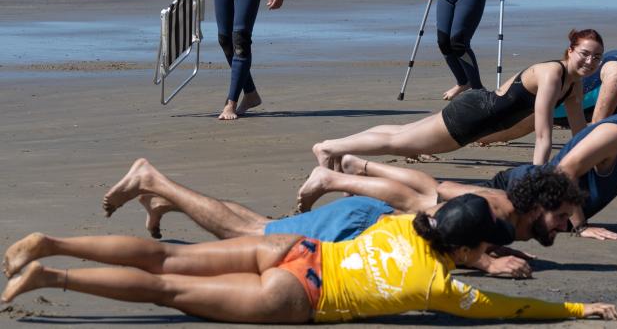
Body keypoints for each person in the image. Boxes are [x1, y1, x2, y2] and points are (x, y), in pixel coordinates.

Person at [2, 195, 617, 322]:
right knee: (164, 295)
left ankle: (51, 243)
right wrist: (573, 307)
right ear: (460, 251)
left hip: (298, 249)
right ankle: (50, 277)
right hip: (300, 297)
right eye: (483, 245)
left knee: (165, 259)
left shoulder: (404, 224)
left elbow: (415, 195)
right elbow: (505, 310)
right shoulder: (441, 288)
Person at [102, 158, 585, 279]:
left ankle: (166, 201)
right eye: (562, 217)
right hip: (357, 227)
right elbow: (436, 221)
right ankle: (155, 181)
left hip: (363, 221)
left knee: (264, 225)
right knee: (247, 234)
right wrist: (485, 264)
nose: (566, 227)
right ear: (539, 205)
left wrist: (497, 252)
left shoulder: (505, 214)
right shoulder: (492, 211)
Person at [313, 29, 604, 168]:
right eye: (585, 53)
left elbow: (580, 134)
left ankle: (339, 149)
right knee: (399, 142)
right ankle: (329, 148)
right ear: (570, 51)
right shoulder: (552, 75)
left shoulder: (573, 86)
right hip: (473, 118)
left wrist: (598, 158)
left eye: (597, 57)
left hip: (478, 112)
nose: (590, 61)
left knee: (401, 134)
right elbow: (543, 135)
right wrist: (538, 176)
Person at [441, 84, 617, 241]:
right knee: (445, 213)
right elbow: (564, 171)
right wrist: (581, 227)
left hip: (545, 211)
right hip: (522, 191)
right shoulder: (616, 133)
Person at [480, 41, 617, 145]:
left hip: (562, 109)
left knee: (499, 131)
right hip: (540, 98)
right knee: (486, 129)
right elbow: (598, 122)